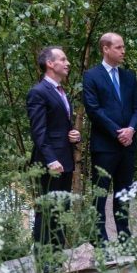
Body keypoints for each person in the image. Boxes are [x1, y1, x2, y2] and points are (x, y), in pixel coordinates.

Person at [83, 32, 137, 243]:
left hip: (128, 145)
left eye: (123, 46)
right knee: (100, 194)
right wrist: (118, 132)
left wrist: (131, 130)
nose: (123, 51)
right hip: (105, 146)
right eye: (118, 47)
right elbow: (93, 110)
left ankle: (125, 240)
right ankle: (100, 241)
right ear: (106, 49)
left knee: (124, 193)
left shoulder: (129, 76)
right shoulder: (91, 76)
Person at [27, 46, 81, 249]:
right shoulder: (38, 92)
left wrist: (74, 135)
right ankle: (43, 257)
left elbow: (59, 126)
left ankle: (57, 255)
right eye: (63, 59)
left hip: (65, 158)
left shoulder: (61, 91)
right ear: (50, 64)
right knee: (47, 208)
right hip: (50, 161)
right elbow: (38, 131)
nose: (68, 63)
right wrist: (50, 159)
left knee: (62, 207)